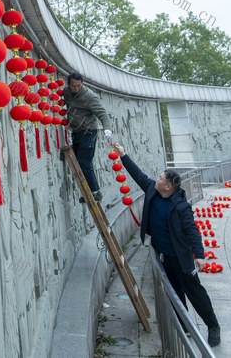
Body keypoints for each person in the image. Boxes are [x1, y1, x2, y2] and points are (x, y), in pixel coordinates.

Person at [111, 142, 221, 348]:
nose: (157, 179)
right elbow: (139, 175)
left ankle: (213, 326)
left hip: (182, 258)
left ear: (168, 186)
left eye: (161, 178)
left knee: (195, 293)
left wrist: (199, 254)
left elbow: (192, 230)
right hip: (165, 257)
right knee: (175, 292)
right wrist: (123, 156)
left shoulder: (180, 207)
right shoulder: (154, 192)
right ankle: (184, 326)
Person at [65, 72, 113, 203]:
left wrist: (106, 127)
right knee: (77, 163)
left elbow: (102, 113)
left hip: (89, 131)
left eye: (79, 85)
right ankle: (87, 192)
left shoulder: (90, 96)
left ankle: (95, 191)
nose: (76, 89)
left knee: (84, 162)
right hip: (76, 131)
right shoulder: (66, 92)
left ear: (82, 83)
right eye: (73, 86)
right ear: (68, 84)